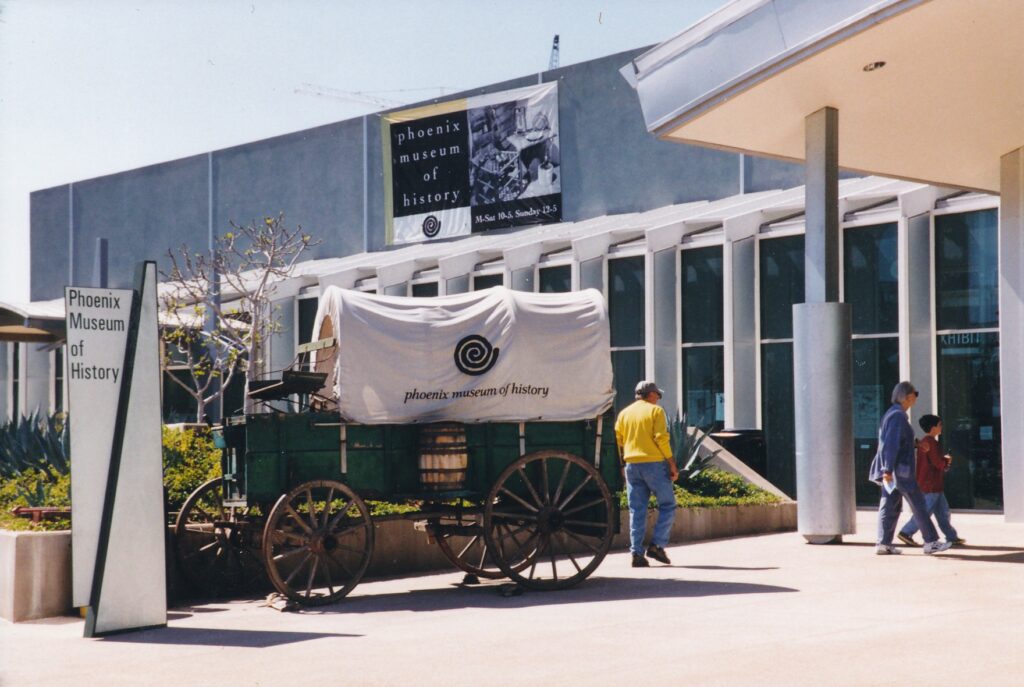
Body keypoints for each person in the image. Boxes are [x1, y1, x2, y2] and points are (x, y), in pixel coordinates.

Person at [868, 381, 952, 555]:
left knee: (889, 505)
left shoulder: (892, 414)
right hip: (901, 471)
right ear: (907, 397)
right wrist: (888, 470)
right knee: (919, 504)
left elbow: (896, 441)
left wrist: (916, 444)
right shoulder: (898, 416)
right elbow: (891, 444)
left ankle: (883, 543)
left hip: (894, 471)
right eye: (915, 393)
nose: (917, 396)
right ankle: (931, 541)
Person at [615, 380, 678, 567]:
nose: (658, 399)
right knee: (667, 505)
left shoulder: (624, 413)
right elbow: (661, 439)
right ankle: (657, 546)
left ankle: (636, 553)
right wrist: (672, 464)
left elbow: (619, 439)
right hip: (654, 464)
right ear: (650, 394)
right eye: (657, 395)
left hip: (631, 464)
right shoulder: (655, 412)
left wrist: (623, 463)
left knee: (637, 509)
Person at [896, 414, 965, 547]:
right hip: (931, 485)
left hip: (932, 484)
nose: (941, 427)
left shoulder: (925, 442)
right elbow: (937, 462)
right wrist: (946, 461)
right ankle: (906, 532)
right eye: (939, 425)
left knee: (943, 513)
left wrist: (943, 461)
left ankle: (952, 536)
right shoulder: (931, 443)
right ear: (933, 428)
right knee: (925, 512)